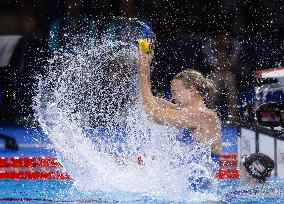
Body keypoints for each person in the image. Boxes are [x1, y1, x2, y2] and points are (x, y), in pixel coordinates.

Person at [136, 50, 222, 158]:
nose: (172, 97)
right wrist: (146, 67)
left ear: (192, 91)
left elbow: (154, 114)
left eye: (174, 92)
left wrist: (143, 73)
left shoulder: (201, 115)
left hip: (209, 173)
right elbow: (147, 101)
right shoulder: (185, 111)